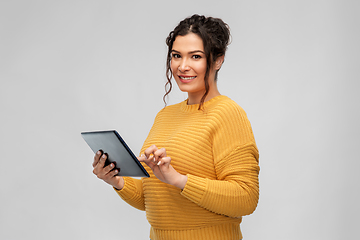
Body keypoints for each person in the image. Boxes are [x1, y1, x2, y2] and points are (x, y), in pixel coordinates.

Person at [92, 14, 260, 240]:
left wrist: (178, 179)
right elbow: (152, 198)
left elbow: (246, 198)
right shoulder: (165, 116)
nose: (183, 66)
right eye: (176, 56)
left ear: (218, 60)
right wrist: (116, 180)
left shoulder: (228, 113)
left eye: (196, 56)